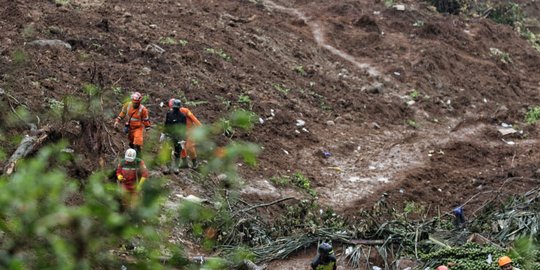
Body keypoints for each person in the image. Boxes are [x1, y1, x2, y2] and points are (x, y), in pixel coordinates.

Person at [167, 98, 202, 169]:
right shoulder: (172, 114)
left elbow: (193, 118)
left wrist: (200, 126)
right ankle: (184, 162)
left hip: (190, 131)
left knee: (189, 147)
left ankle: (195, 162)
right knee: (181, 147)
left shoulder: (185, 111)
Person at [160, 99, 187, 173]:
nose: (175, 109)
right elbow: (166, 124)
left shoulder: (182, 116)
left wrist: (183, 139)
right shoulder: (169, 114)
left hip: (178, 137)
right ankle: (168, 167)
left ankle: (176, 167)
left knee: (177, 152)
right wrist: (163, 133)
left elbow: (183, 128)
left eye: (176, 108)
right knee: (168, 150)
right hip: (169, 135)